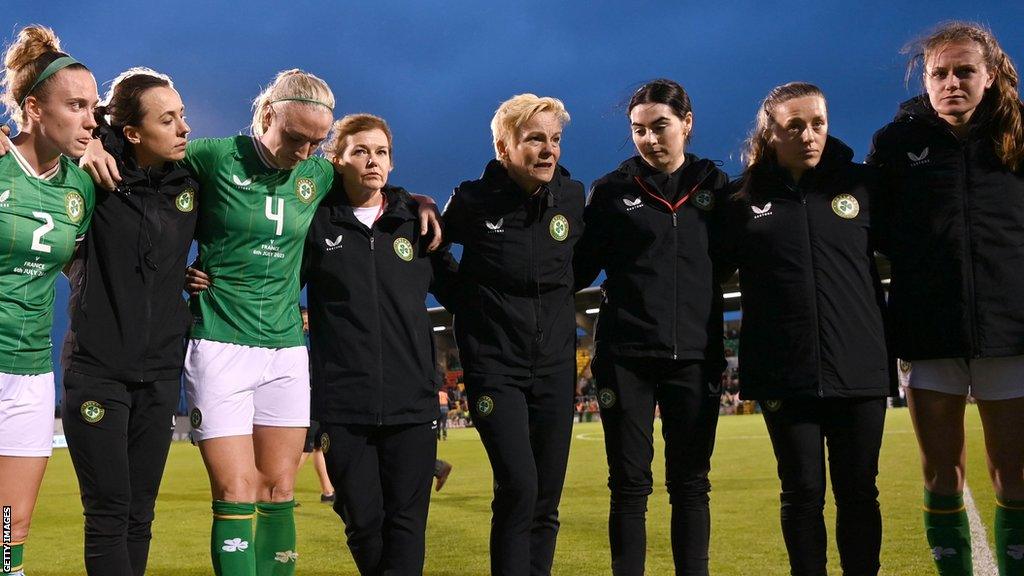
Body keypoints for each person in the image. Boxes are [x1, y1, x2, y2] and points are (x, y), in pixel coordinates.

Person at [82, 70, 441, 576]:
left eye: (317, 143)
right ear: (267, 115)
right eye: (296, 138)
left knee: (281, 490)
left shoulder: (316, 175)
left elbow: (374, 189)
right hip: (219, 343)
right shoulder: (210, 157)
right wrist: (96, 140)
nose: (305, 152)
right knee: (235, 490)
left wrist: (418, 201)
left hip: (288, 350)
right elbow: (140, 139)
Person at [867, 21, 1024, 576]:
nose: (952, 82)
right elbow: (877, 231)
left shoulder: (1019, 135)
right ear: (924, 79)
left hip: (1012, 333)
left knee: (1015, 475)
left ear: (990, 75)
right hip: (930, 332)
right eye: (940, 73)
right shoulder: (895, 142)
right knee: (940, 473)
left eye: (965, 71)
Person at [722, 82, 891, 576]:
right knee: (801, 494)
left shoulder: (861, 186)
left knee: (859, 490)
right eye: (794, 125)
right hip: (782, 372)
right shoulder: (742, 199)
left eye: (818, 122)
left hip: (857, 366)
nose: (810, 134)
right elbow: (699, 271)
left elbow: (918, 250)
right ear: (770, 133)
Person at [572, 78, 729, 576]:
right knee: (629, 485)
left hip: (696, 354)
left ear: (687, 123)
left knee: (690, 484)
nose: (649, 139)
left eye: (660, 126)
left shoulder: (718, 189)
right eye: (638, 130)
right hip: (626, 357)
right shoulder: (611, 192)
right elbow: (575, 270)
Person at [303, 113, 455, 575]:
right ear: (337, 160)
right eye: (360, 151)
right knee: (363, 523)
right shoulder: (315, 224)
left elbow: (463, 293)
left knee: (407, 524)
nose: (373, 161)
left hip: (412, 403)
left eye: (382, 152)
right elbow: (271, 280)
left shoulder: (415, 221)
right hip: (344, 403)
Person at [59, 67, 195, 576]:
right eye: (168, 119)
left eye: (183, 116)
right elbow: (49, 113)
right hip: (97, 370)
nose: (183, 128)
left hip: (160, 375)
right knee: (109, 512)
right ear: (132, 132)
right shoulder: (92, 169)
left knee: (141, 514)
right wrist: (90, 139)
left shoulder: (189, 180)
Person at [442, 93, 584, 576]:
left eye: (555, 140)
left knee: (545, 499)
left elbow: (581, 264)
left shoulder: (573, 197)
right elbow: (431, 248)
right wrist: (468, 302)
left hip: (556, 367)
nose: (548, 150)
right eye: (535, 139)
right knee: (519, 487)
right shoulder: (472, 200)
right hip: (495, 367)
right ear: (504, 148)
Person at [0, 24, 98, 576]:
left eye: (94, 107)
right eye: (76, 106)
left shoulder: (79, 188)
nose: (90, 119)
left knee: (10, 526)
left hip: (29, 375)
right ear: (34, 108)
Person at [297, 307, 335, 504]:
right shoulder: (299, 343)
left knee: (318, 446)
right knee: (308, 445)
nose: (307, 324)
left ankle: (328, 491)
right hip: (308, 397)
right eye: (304, 320)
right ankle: (278, 489)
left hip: (317, 396)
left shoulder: (313, 342)